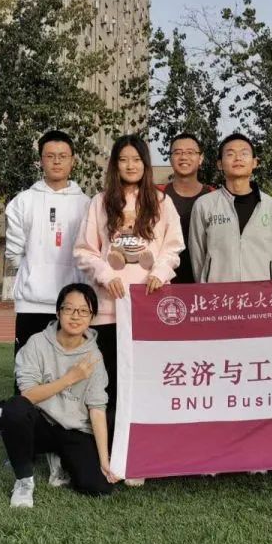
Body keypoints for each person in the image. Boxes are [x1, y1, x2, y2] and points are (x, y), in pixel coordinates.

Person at [74, 134, 184, 487]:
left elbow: (173, 248)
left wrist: (159, 273)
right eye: (124, 159)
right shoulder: (100, 202)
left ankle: (140, 456)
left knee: (144, 386)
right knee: (109, 388)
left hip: (147, 312)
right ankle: (109, 457)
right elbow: (85, 251)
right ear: (115, 164)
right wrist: (106, 275)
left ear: (146, 164)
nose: (131, 165)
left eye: (137, 159)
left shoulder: (162, 202)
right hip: (109, 312)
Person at [1, 283, 119, 506]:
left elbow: (97, 409)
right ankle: (24, 481)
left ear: (91, 317)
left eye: (83, 311)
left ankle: (61, 458)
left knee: (99, 487)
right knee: (16, 408)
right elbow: (28, 394)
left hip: (74, 429)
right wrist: (70, 378)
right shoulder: (37, 343)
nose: (75, 316)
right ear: (58, 312)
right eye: (69, 309)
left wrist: (104, 460)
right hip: (41, 424)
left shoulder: (94, 357)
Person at [4, 130, 91, 391]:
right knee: (28, 371)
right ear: (40, 160)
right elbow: (13, 252)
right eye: (50, 156)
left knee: (70, 371)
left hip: (73, 305)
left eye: (63, 156)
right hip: (31, 304)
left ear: (73, 161)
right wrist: (33, 275)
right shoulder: (23, 201)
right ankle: (25, 415)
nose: (56, 161)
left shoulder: (87, 204)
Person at [189, 133, 272, 282]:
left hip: (260, 293)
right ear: (220, 164)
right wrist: (205, 288)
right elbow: (197, 256)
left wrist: (270, 286)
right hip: (218, 293)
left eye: (244, 153)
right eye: (230, 154)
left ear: (255, 162)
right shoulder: (204, 205)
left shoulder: (270, 206)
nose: (238, 158)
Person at [157, 132, 216, 284]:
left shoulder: (214, 197)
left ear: (200, 158)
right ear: (170, 158)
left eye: (190, 152)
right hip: (162, 282)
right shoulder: (156, 196)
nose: (184, 157)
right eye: (178, 152)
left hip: (205, 283)